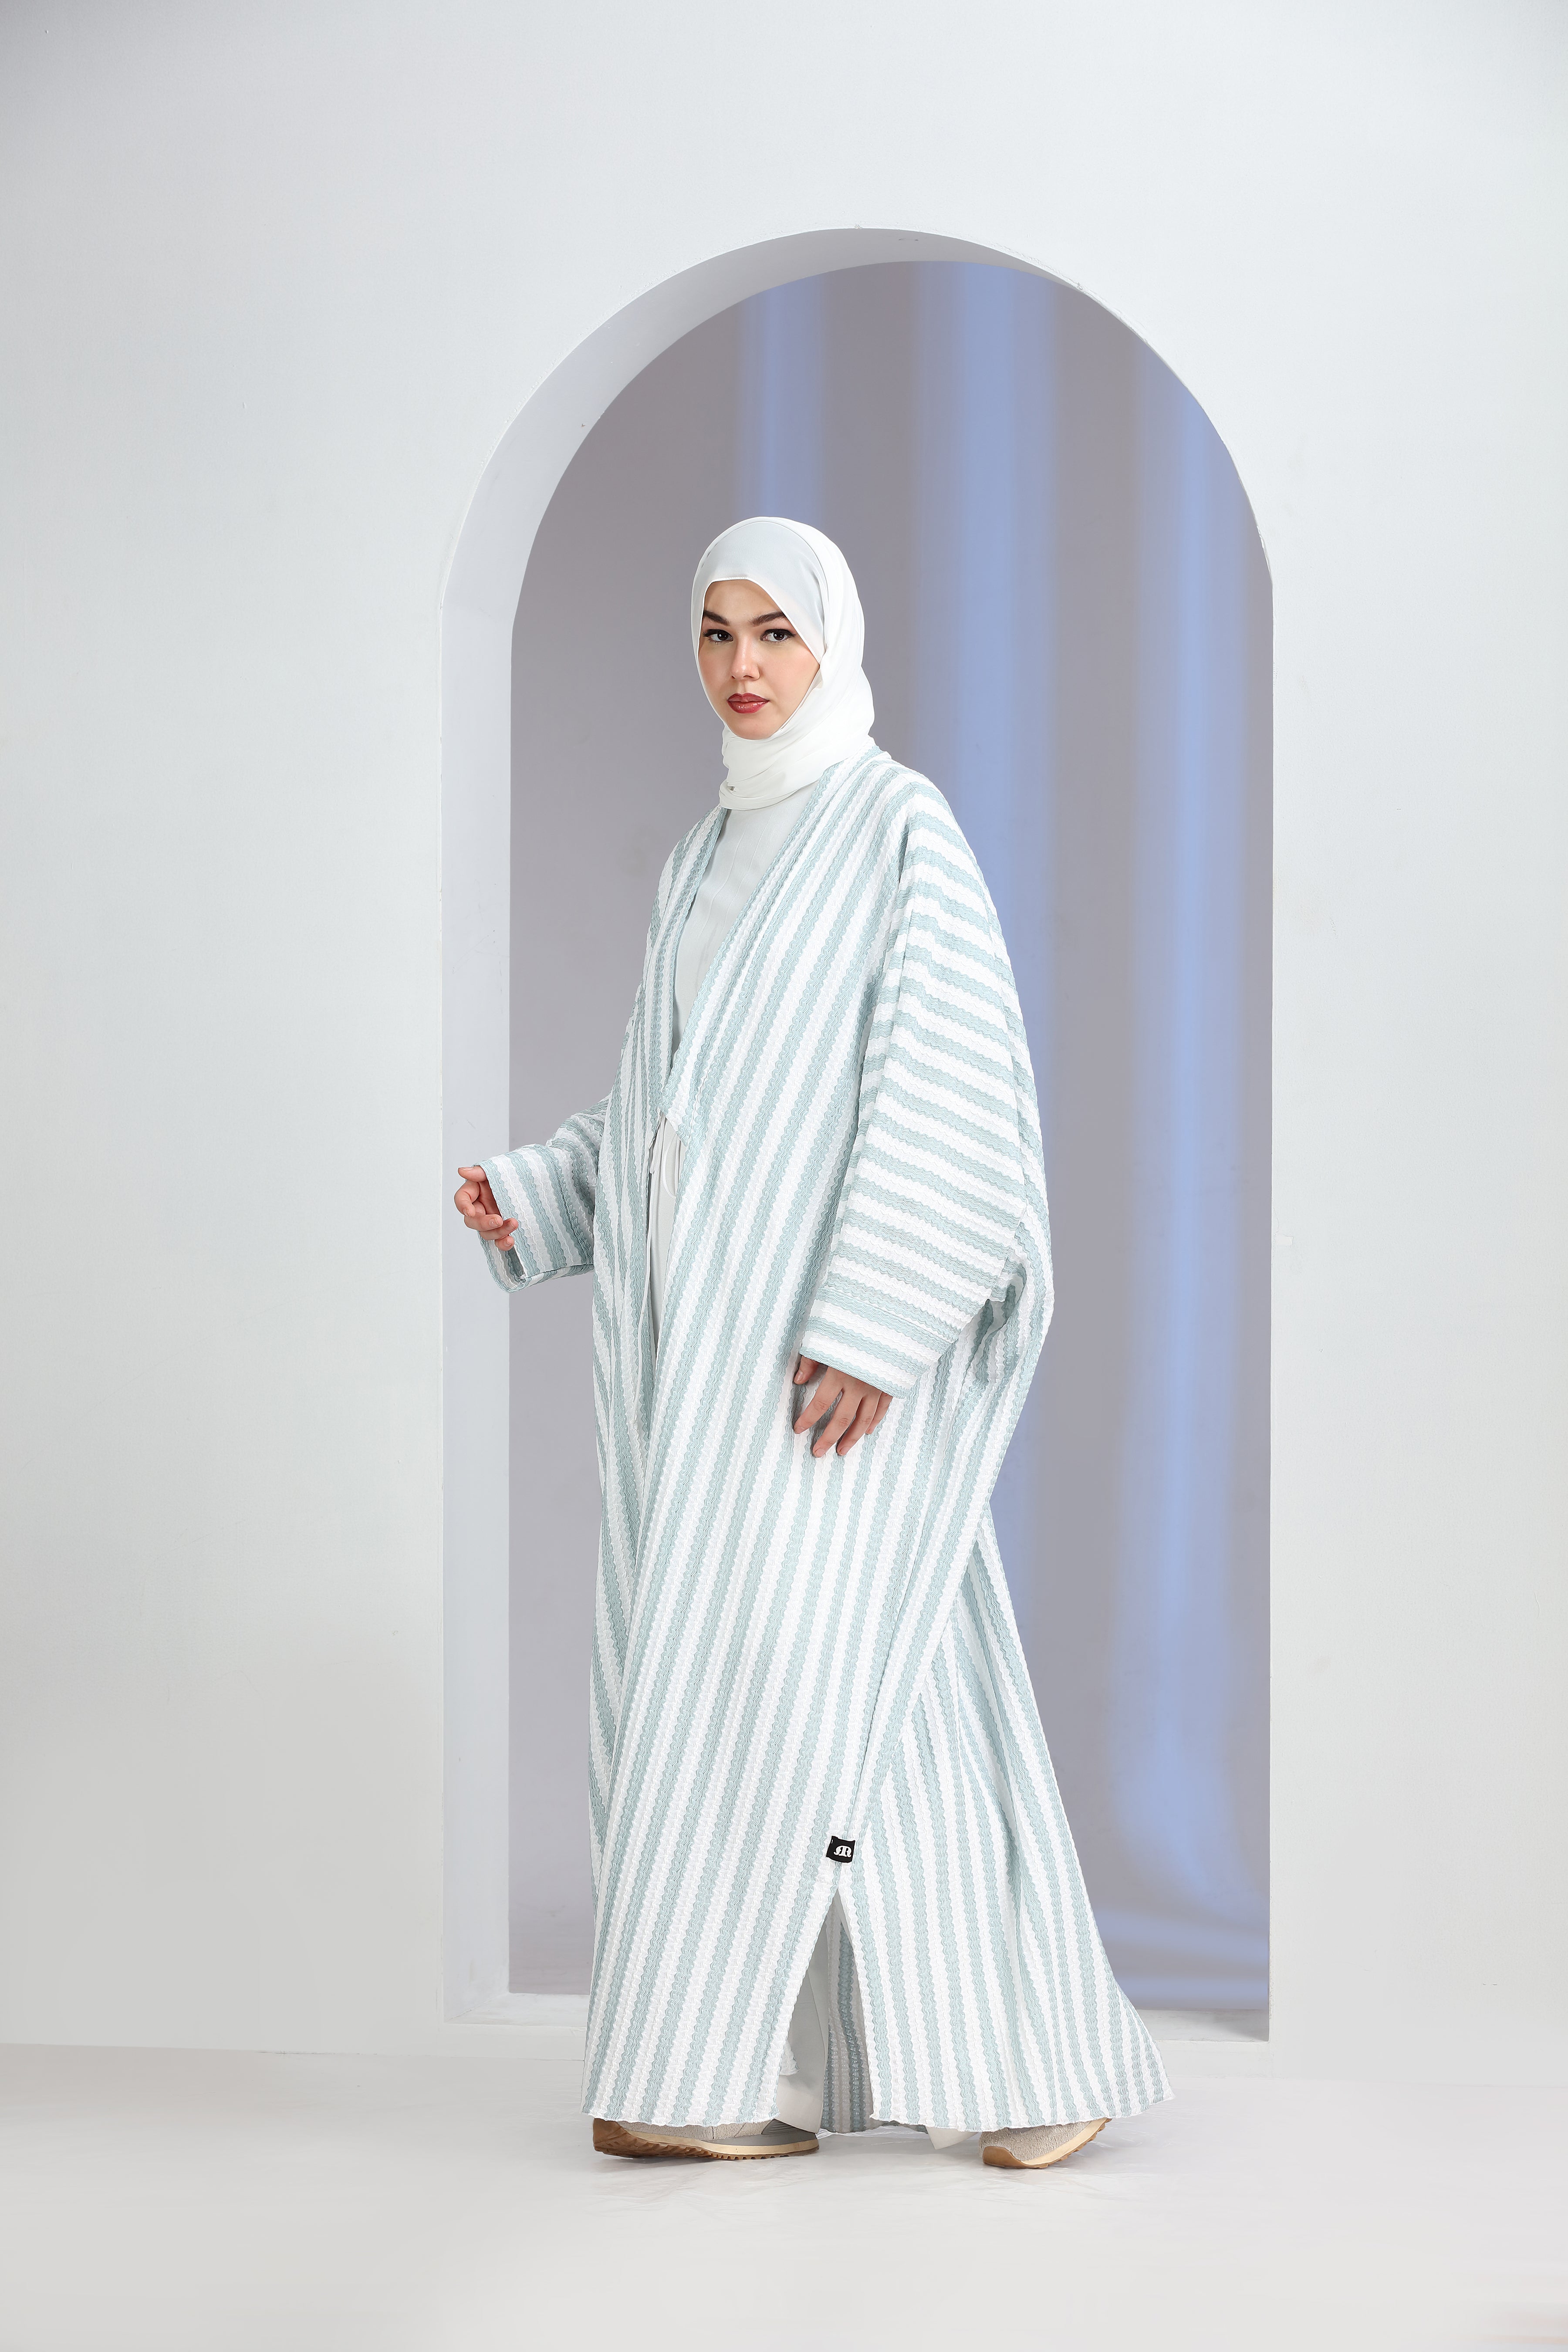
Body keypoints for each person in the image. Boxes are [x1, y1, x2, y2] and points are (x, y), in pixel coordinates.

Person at [455, 518, 1170, 2169]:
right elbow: (673, 1110)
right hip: (703, 1372)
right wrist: (542, 1191)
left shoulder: (900, 829)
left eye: (775, 632)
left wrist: (876, 1323)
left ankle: (1026, 2056)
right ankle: (729, 2064)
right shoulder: (705, 855)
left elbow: (951, 1085)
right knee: (765, 1697)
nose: (744, 666)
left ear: (832, 641)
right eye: (716, 634)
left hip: (827, 1367)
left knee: (867, 1677)